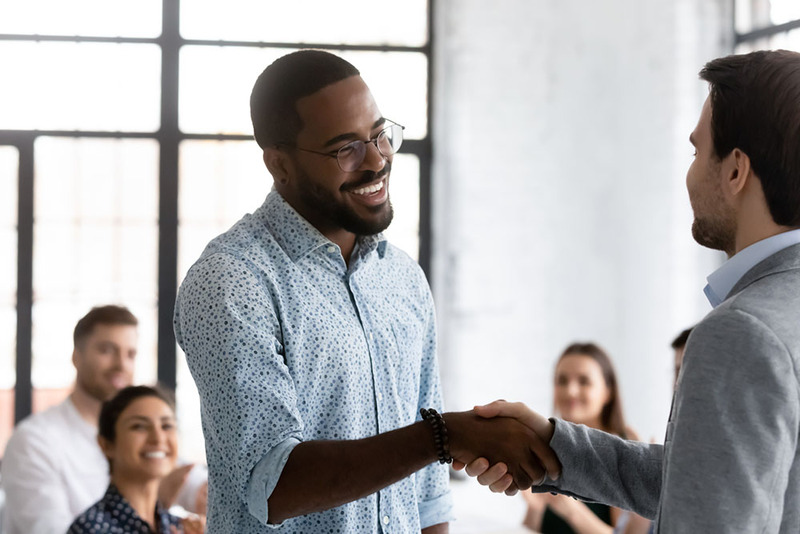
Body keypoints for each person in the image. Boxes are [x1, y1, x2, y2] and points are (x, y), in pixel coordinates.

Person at [173, 49, 558, 533]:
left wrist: (442, 441)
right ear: (280, 165)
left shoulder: (401, 279)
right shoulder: (232, 281)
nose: (377, 160)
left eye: (380, 134)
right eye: (345, 149)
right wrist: (444, 435)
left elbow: (427, 496)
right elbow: (274, 488)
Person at [470, 49, 800, 533]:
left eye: (695, 151)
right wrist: (551, 443)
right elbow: (719, 480)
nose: (689, 174)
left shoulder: (741, 332)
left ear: (735, 171)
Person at [1, 305, 205, 534]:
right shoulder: (34, 441)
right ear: (76, 357)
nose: (121, 365)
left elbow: (191, 481)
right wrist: (151, 498)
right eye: (107, 351)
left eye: (131, 354)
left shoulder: (152, 439)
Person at [522, 343, 644, 534]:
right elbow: (531, 527)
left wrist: (572, 512)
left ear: (607, 391)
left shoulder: (626, 444)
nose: (570, 391)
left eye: (584, 381)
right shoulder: (548, 446)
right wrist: (535, 508)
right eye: (561, 381)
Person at [68, 385, 203, 534]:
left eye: (166, 425)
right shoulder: (89, 529)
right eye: (139, 426)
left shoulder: (179, 527)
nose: (158, 438)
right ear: (106, 445)